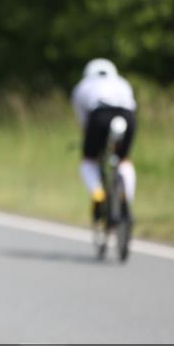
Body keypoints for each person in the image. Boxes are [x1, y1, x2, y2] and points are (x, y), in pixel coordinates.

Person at [71, 58, 137, 223]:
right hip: (127, 117)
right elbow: (132, 106)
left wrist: (91, 140)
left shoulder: (82, 86)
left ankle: (97, 193)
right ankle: (125, 197)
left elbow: (84, 121)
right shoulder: (122, 82)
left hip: (100, 116)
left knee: (89, 161)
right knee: (123, 160)